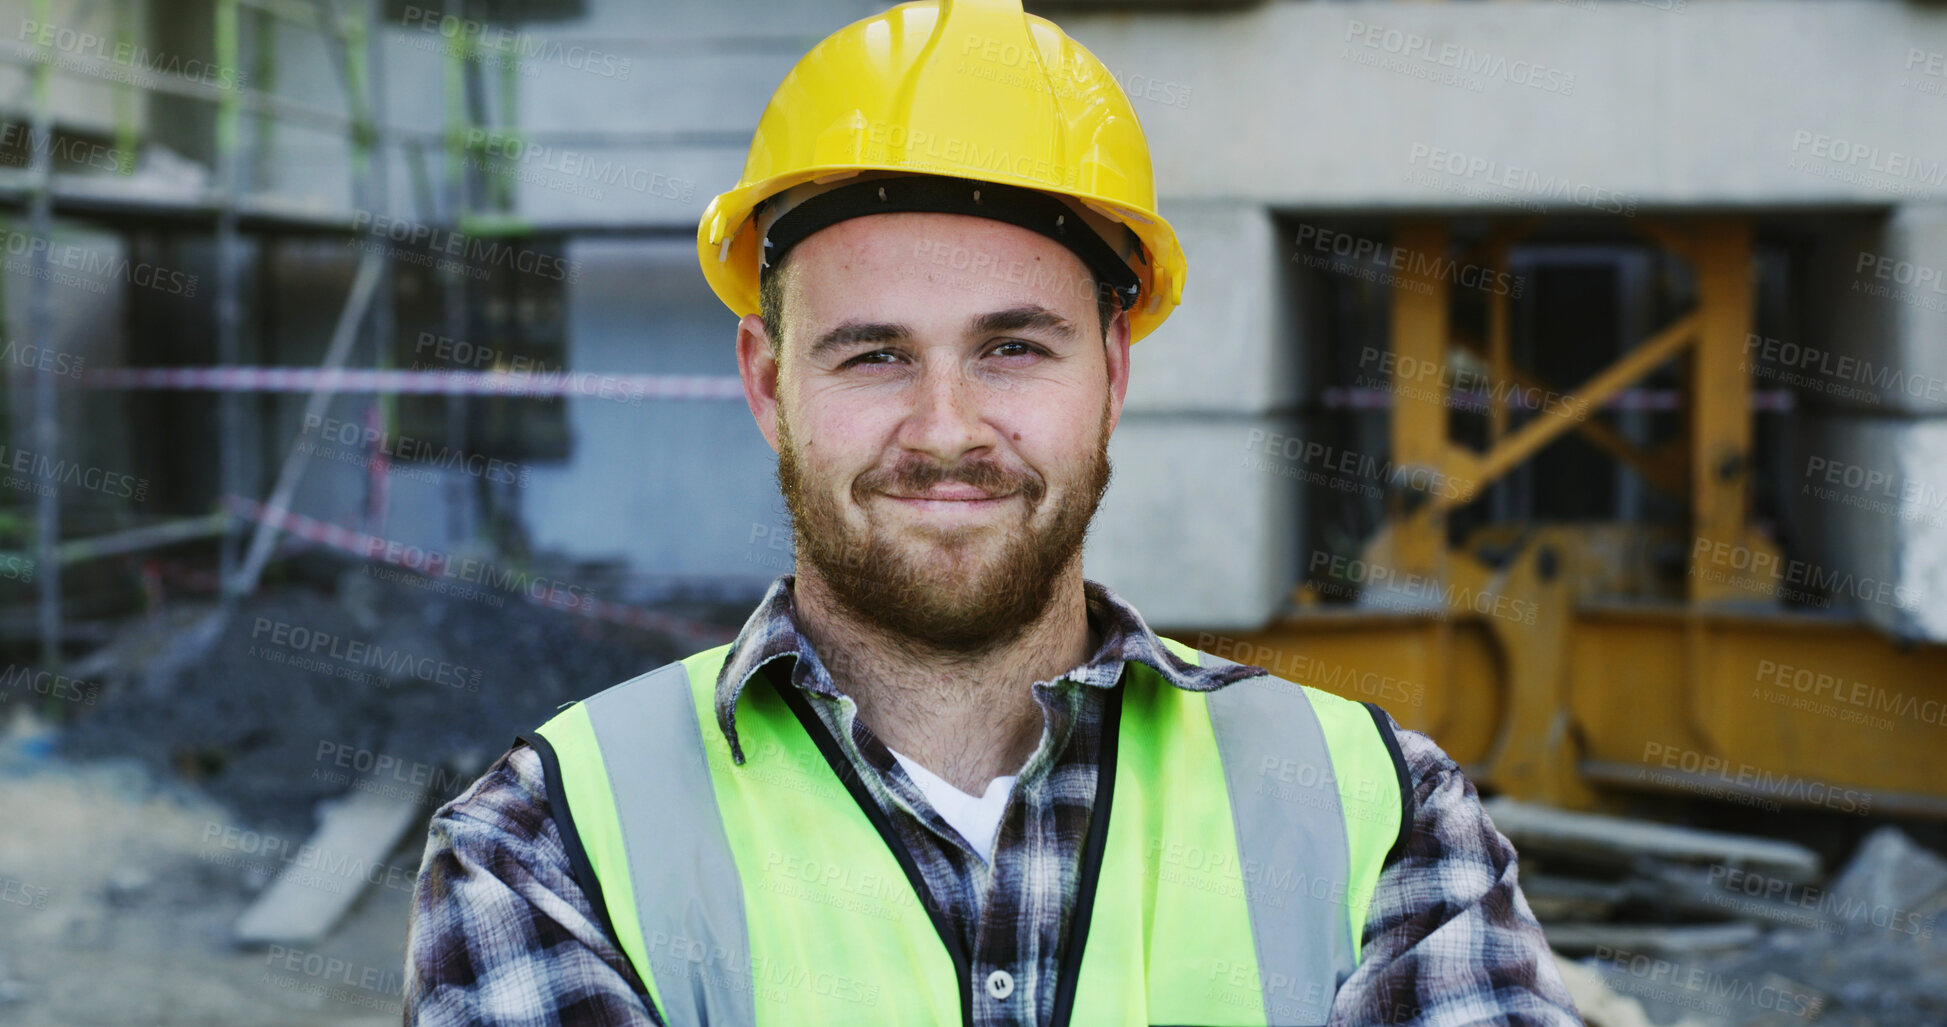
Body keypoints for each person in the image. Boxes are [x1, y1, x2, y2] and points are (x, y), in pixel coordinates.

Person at [403, 1, 1582, 1023]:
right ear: (770, 383)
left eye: (1014, 348)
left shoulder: (1377, 816)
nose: (947, 428)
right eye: (873, 356)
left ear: (1113, 374)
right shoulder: (547, 847)